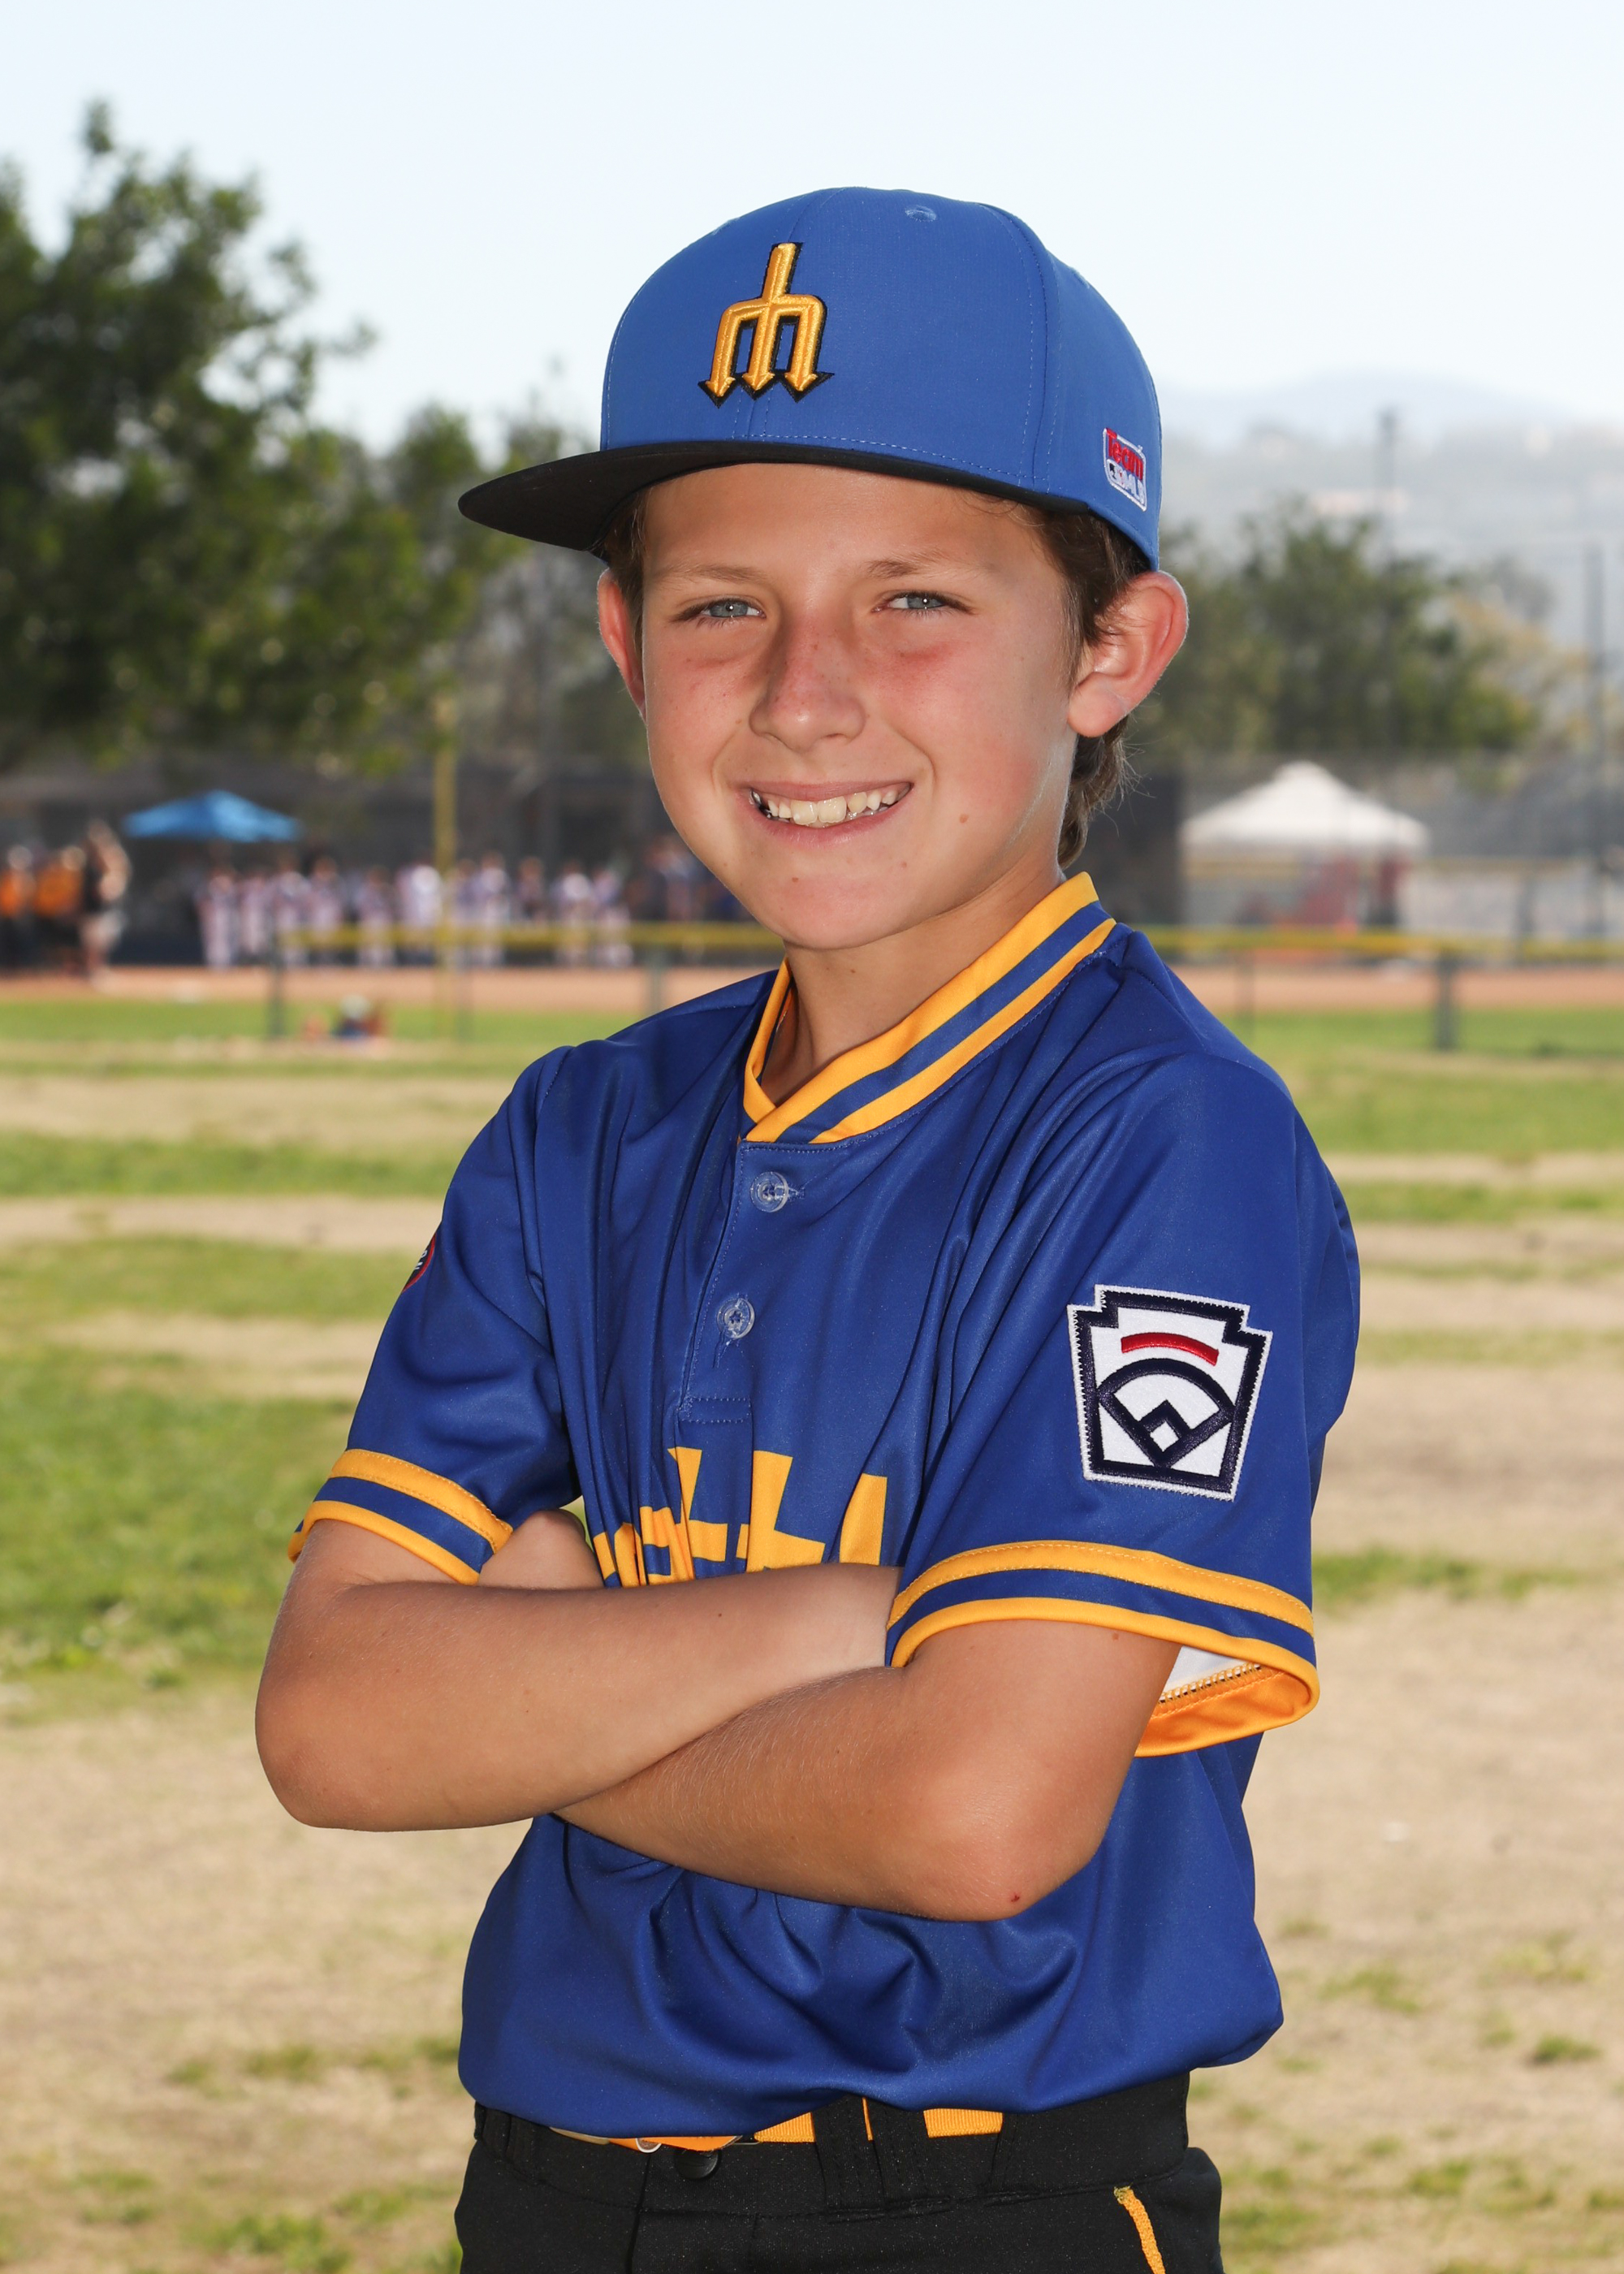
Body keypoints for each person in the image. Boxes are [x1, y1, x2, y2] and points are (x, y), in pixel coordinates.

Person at [257, 190, 1358, 2274]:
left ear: (1107, 650)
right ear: (623, 646)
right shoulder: (578, 1129)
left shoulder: (1162, 1136)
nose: (803, 695)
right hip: (552, 2195)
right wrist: (842, 1620)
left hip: (969, 2202)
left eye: (915, 599)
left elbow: (972, 1810)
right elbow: (333, 1722)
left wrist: (546, 1680)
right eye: (720, 607)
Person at [80, 820, 131, 981]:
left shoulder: (107, 867)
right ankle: (92, 971)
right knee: (93, 945)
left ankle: (98, 970)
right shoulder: (89, 867)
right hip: (93, 911)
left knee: (102, 944)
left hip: (104, 911)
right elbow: (98, 891)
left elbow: (121, 871)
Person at [196, 858, 239, 971]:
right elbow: (200, 902)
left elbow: (235, 895)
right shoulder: (207, 885)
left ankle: (228, 964)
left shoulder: (228, 883)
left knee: (228, 940)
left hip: (227, 916)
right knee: (213, 943)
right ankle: (214, 965)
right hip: (213, 917)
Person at [0, 845, 37, 971]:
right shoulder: (5, 878)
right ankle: (7, 963)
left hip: (21, 915)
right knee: (6, 940)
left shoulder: (26, 880)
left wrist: (21, 910)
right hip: (6, 915)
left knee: (23, 939)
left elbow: (29, 898)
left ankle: (24, 964)